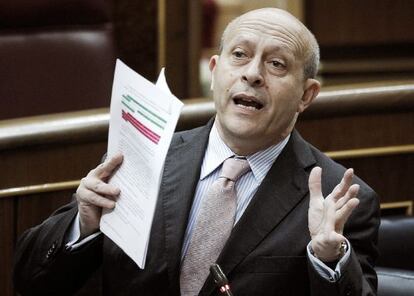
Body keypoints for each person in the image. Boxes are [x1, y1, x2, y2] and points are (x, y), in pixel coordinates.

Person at [13, 8, 379, 296]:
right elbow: (31, 280)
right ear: (216, 71)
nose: (252, 74)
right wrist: (84, 223)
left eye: (277, 64)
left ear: (306, 94)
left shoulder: (339, 197)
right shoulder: (143, 155)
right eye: (240, 55)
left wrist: (328, 260)